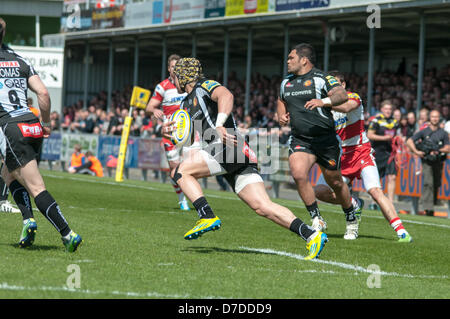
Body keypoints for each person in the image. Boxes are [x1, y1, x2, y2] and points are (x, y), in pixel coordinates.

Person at [163, 57, 327, 260]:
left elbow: (226, 95)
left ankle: (206, 215)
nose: (173, 80)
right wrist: (170, 131)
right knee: (263, 207)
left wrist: (221, 123)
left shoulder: (203, 86)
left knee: (180, 172)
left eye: (174, 76)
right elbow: (185, 138)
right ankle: (311, 235)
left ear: (183, 76)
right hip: (233, 151)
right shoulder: (186, 103)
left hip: (226, 147)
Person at [0, 17, 82, 252]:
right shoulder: (21, 61)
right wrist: (46, 123)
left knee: (36, 187)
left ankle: (68, 233)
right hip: (32, 125)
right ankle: (28, 221)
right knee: (11, 175)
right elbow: (43, 94)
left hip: (10, 129)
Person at [313, 71, 412, 242]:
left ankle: (401, 231)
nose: (331, 90)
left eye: (335, 85)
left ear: (343, 86)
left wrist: (321, 103)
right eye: (329, 87)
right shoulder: (326, 107)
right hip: (340, 157)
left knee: (375, 190)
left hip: (361, 152)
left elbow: (346, 107)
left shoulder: (353, 97)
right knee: (319, 192)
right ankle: (354, 203)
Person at [276, 43, 358, 238]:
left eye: (291, 58)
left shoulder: (322, 78)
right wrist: (281, 115)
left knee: (336, 183)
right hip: (300, 139)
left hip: (326, 140)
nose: (287, 61)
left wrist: (324, 101)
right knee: (298, 174)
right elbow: (281, 100)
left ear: (304, 60)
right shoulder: (286, 82)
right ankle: (316, 218)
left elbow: (341, 95)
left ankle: (351, 217)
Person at [145, 54, 190, 211]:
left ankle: (195, 197)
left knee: (190, 167)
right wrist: (155, 110)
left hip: (188, 132)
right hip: (169, 133)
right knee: (175, 169)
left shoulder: (188, 85)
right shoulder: (163, 86)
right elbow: (149, 107)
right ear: (168, 68)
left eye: (177, 67)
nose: (174, 70)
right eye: (172, 67)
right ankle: (182, 200)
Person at [406, 109, 450, 216]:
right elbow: (409, 141)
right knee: (428, 182)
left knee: (436, 184)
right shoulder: (424, 131)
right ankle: (428, 208)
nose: (434, 119)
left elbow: (448, 147)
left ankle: (430, 203)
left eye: (436, 117)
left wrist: (438, 150)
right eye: (433, 117)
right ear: (430, 118)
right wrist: (416, 151)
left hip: (438, 161)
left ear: (439, 118)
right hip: (426, 160)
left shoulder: (443, 133)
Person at [367, 100, 399, 203]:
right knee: (377, 178)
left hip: (391, 153)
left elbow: (397, 135)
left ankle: (390, 202)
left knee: (392, 177)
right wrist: (384, 138)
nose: (388, 111)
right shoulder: (376, 121)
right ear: (381, 109)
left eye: (390, 109)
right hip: (378, 151)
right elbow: (370, 135)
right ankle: (375, 201)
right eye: (386, 109)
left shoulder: (394, 121)